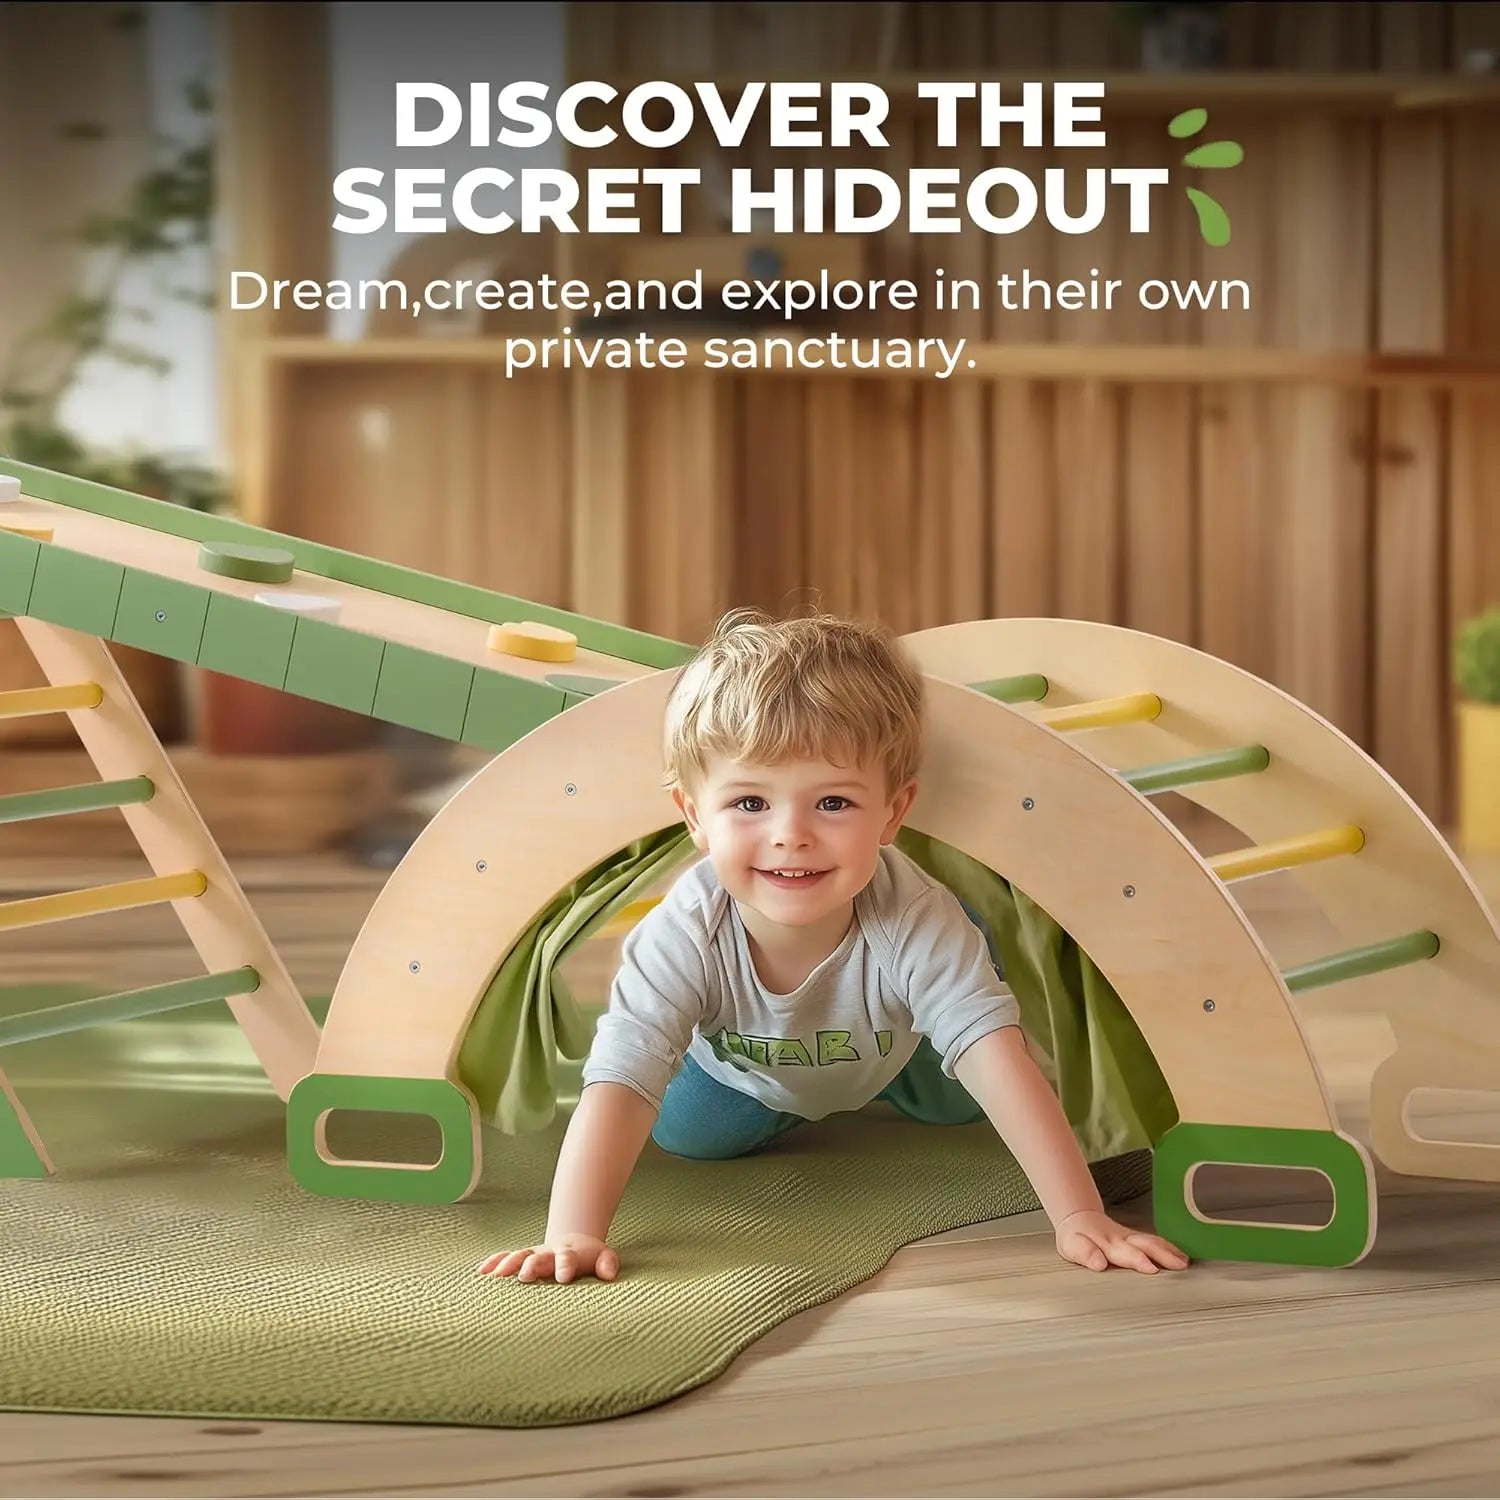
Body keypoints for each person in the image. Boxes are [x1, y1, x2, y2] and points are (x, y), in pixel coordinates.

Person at [478, 608, 1188, 1286]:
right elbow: (623, 1078)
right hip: (744, 1067)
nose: (792, 834)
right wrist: (572, 1232)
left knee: (963, 1102)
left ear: (893, 813)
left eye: (833, 802)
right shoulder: (681, 931)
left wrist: (1078, 1214)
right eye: (750, 803)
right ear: (695, 817)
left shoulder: (915, 918)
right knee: (688, 1136)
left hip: (898, 1045)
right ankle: (791, 1098)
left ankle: (944, 1004)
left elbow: (996, 1059)